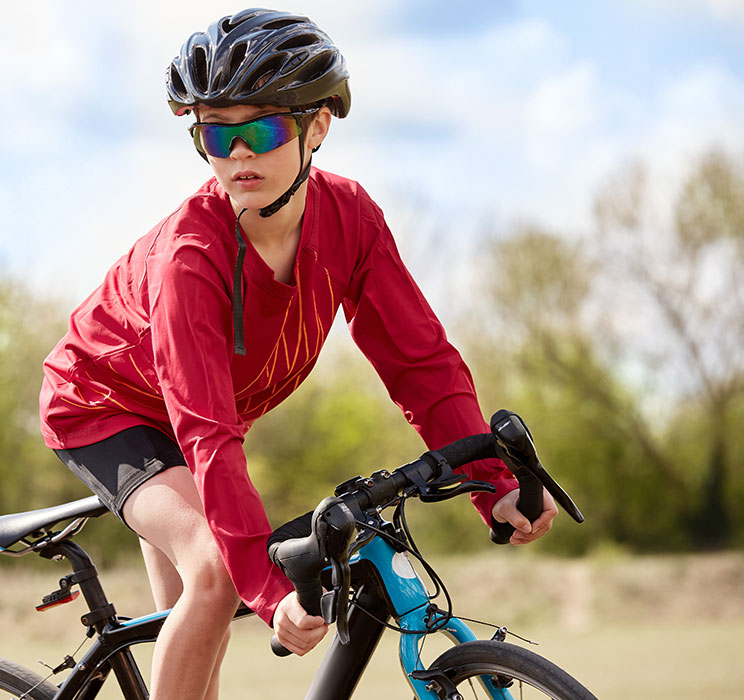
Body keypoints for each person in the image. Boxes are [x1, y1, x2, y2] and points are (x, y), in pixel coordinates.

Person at [39, 9, 557, 700]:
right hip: (105, 406)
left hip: (191, 417)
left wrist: (492, 478)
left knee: (201, 642)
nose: (238, 156)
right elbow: (207, 433)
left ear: (317, 127)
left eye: (260, 130)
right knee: (219, 576)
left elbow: (420, 362)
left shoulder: (351, 219)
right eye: (216, 135)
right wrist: (265, 585)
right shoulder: (190, 260)